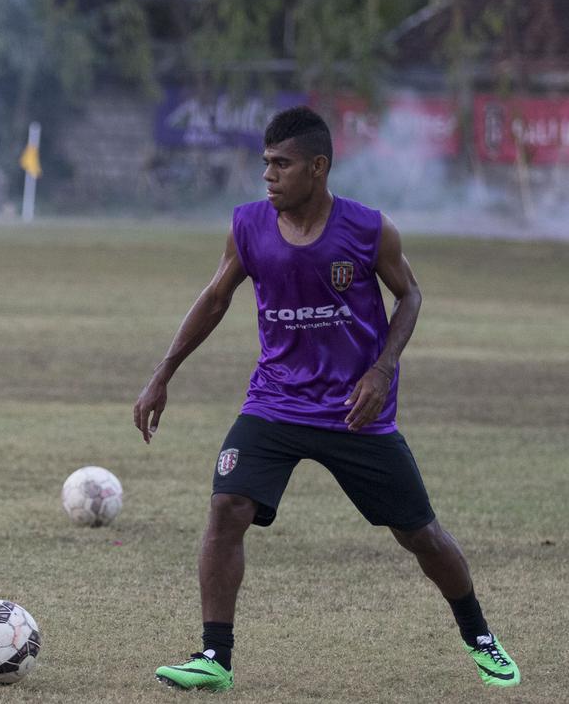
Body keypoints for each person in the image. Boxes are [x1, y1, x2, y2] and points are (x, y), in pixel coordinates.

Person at [133, 106, 519, 692]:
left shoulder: (369, 229)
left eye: (281, 164)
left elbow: (410, 295)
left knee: (420, 534)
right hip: (275, 402)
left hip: (354, 412)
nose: (268, 175)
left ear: (318, 167)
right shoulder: (248, 227)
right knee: (226, 508)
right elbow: (214, 299)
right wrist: (162, 373)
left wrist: (382, 370)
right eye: (266, 163)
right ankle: (214, 657)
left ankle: (481, 637)